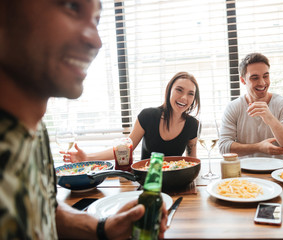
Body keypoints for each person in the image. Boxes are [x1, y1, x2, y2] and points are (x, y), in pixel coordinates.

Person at [0, 0, 167, 239]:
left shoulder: (35, 132)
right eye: (71, 6)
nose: (96, 41)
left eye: (97, 20)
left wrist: (104, 228)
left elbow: (48, 208)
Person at [64, 71, 200, 162]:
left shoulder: (193, 124)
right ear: (169, 90)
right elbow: (124, 149)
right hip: (147, 182)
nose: (184, 97)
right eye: (179, 90)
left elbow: (192, 161)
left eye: (190, 94)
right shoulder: (148, 116)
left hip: (177, 182)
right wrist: (87, 157)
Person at [219, 53, 283, 160]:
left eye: (265, 76)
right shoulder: (233, 107)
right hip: (243, 173)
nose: (262, 83)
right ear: (243, 80)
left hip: (277, 171)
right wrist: (258, 147)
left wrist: (270, 119)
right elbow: (224, 148)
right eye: (254, 78)